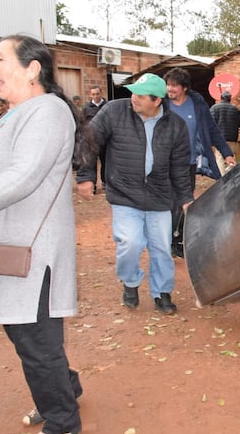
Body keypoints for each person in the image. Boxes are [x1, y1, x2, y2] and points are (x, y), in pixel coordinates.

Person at [0, 34, 94, 434]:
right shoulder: (18, 112)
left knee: (34, 339)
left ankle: (62, 421)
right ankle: (65, 386)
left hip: (31, 255)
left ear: (32, 68)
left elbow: (21, 178)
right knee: (30, 335)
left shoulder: (48, 112)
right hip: (7, 244)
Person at [76, 73, 192, 315]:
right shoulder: (114, 112)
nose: (134, 99)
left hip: (159, 196)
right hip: (124, 193)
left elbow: (180, 167)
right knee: (130, 242)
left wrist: (185, 199)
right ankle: (130, 282)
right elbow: (89, 142)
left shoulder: (176, 127)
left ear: (157, 100)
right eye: (133, 93)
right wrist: (86, 177)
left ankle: (162, 292)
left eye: (140, 96)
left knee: (162, 247)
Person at [162, 67, 235, 258]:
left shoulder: (197, 103)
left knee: (184, 203)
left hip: (189, 162)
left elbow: (211, 130)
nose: (170, 89)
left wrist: (226, 153)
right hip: (167, 163)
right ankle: (168, 241)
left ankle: (177, 241)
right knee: (171, 203)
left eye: (174, 86)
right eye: (168, 85)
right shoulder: (161, 104)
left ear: (185, 87)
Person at [210, 91, 240, 175]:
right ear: (230, 99)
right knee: (230, 156)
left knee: (219, 158)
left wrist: (210, 140)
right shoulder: (235, 109)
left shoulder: (214, 108)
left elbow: (210, 125)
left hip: (218, 139)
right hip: (231, 138)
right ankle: (230, 177)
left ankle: (221, 179)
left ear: (221, 98)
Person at [83, 86, 107, 191]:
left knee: (106, 161)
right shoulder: (86, 108)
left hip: (105, 138)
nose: (96, 96)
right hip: (92, 139)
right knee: (91, 163)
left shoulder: (107, 106)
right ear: (90, 95)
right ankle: (93, 185)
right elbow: (83, 122)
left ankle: (105, 182)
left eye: (97, 94)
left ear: (101, 93)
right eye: (93, 94)